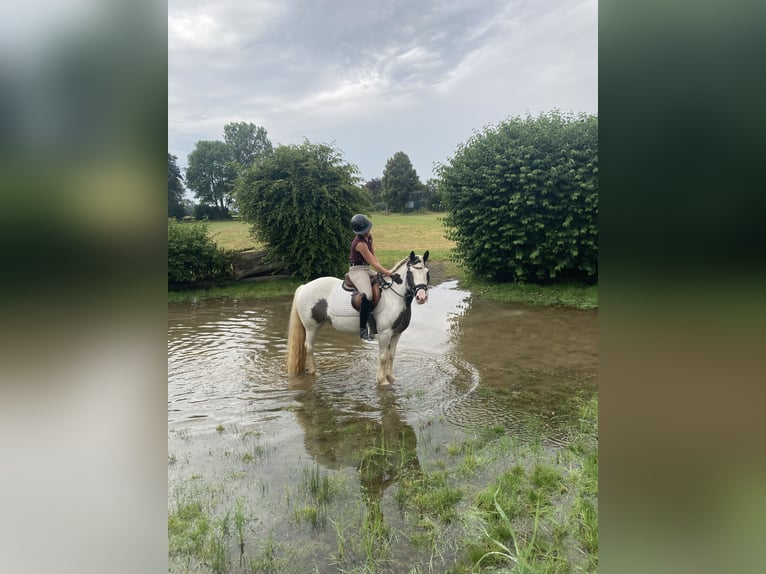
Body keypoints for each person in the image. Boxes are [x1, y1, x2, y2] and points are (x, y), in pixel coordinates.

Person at [349, 214, 396, 341]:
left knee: (384, 283)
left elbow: (374, 258)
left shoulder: (369, 237)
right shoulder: (359, 244)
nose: (368, 231)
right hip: (357, 270)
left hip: (366, 269)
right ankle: (363, 328)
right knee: (368, 295)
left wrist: (384, 272)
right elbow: (373, 263)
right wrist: (389, 272)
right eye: (366, 230)